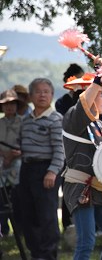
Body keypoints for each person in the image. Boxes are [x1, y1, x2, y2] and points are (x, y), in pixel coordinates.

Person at [61, 72, 102, 260]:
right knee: (86, 242)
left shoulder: (99, 126)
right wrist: (99, 77)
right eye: (99, 95)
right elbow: (84, 102)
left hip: (97, 188)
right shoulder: (72, 119)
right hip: (80, 187)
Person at [19, 78, 65, 260]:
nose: (42, 94)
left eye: (46, 91)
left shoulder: (56, 119)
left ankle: (48, 255)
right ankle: (36, 253)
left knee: (47, 217)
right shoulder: (26, 120)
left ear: (52, 95)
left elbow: (60, 150)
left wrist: (52, 172)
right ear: (30, 96)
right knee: (27, 215)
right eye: (38, 91)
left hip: (46, 170)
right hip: (26, 169)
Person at [55, 63, 85, 234]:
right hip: (68, 149)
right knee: (68, 187)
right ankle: (67, 225)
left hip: (85, 150)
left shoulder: (88, 99)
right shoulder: (62, 102)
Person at [0, 89, 23, 236]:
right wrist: (5, 155)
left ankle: (19, 228)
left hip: (18, 162)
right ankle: (3, 228)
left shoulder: (23, 122)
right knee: (1, 197)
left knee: (17, 196)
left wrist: (14, 155)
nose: (9, 107)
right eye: (6, 104)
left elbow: (27, 143)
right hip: (1, 161)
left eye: (12, 104)